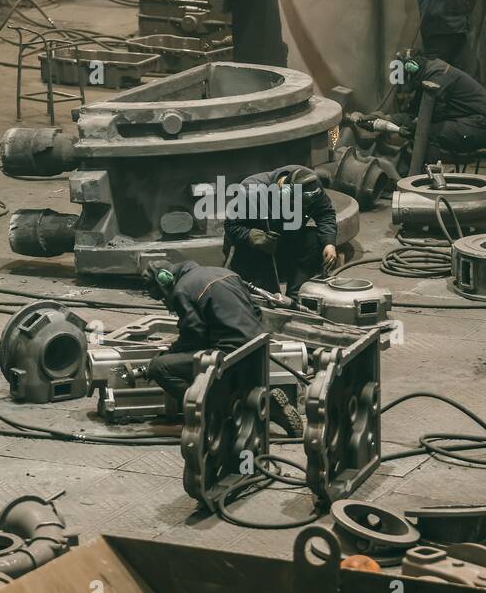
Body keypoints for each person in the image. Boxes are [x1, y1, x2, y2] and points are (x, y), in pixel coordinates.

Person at [140, 260, 301, 434]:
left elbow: (193, 335)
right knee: (221, 362)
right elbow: (256, 311)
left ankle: (217, 412)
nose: (165, 301)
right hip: (258, 347)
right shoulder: (226, 273)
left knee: (159, 368)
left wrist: (169, 353)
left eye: (162, 297)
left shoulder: (181, 290)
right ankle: (264, 403)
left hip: (229, 356)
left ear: (165, 281)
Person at [224, 165, 338, 298]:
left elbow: (325, 213)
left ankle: (297, 294)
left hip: (286, 240)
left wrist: (329, 243)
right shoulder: (252, 191)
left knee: (314, 239)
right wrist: (254, 237)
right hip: (257, 251)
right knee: (269, 299)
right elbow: (231, 226)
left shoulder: (311, 184)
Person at [391, 53, 486, 168]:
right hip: (473, 122)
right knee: (419, 130)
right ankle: (406, 175)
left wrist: (407, 123)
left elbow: (430, 116)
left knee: (426, 132)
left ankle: (427, 177)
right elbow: (413, 113)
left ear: (410, 75)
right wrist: (387, 119)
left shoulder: (437, 77)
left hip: (485, 126)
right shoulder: (426, 73)